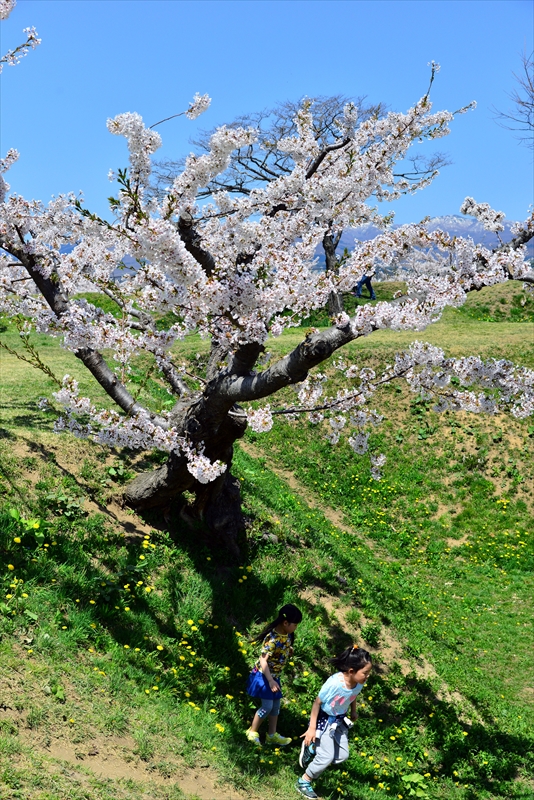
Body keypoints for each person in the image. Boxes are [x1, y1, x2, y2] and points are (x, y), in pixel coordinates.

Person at [296, 645, 372, 799]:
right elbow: (317, 703)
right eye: (365, 673)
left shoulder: (359, 682)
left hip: (340, 720)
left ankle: (312, 748)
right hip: (324, 720)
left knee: (342, 755)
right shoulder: (334, 684)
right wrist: (312, 728)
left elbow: (353, 695)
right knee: (327, 757)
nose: (367, 676)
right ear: (351, 671)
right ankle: (304, 781)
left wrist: (353, 711)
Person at [245, 603, 303, 747]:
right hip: (264, 677)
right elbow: (263, 661)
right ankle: (252, 732)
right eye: (295, 624)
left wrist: (288, 651)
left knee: (275, 707)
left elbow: (283, 647)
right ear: (285, 622)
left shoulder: (286, 635)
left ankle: (271, 735)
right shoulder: (272, 639)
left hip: (273, 677)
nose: (296, 627)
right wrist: (270, 681)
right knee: (267, 707)